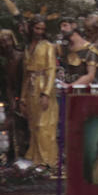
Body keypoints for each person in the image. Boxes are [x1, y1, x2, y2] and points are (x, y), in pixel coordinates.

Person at [22, 15, 60, 166]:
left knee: (44, 125)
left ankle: (47, 161)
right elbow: (25, 75)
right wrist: (22, 98)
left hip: (44, 86)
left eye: (42, 29)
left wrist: (45, 93)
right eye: (37, 28)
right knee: (33, 125)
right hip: (31, 87)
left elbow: (51, 70)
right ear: (32, 29)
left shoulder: (48, 46)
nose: (39, 31)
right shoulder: (27, 48)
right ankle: (35, 160)